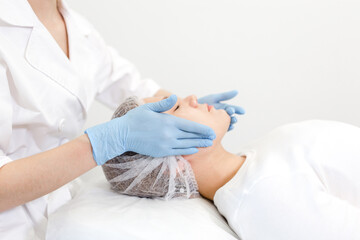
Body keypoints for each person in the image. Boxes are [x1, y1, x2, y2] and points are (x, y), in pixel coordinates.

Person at [0, 0, 245, 239]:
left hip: (62, 207)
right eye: (181, 105)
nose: (193, 98)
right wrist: (105, 141)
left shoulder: (77, 28)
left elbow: (135, 89)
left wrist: (192, 108)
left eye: (179, 105)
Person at [139, 95, 360, 240]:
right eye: (177, 107)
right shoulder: (263, 198)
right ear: (173, 163)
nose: (192, 98)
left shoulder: (251, 163)